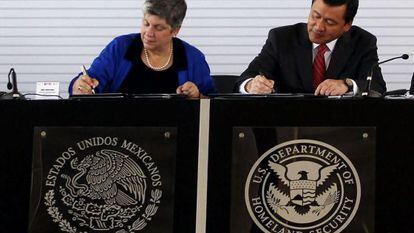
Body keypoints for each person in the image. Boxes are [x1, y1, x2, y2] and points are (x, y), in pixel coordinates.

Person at [236, 0, 386, 96]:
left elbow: (377, 86)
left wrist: (346, 84)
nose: (319, 27)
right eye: (315, 16)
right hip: (286, 125)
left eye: (329, 22)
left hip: (340, 126)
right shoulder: (282, 38)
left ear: (347, 25)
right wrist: (251, 85)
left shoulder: (363, 42)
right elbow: (245, 78)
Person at [69, 0, 215, 98]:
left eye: (158, 28)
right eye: (146, 23)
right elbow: (90, 81)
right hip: (118, 136)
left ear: (175, 31)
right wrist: (80, 86)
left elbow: (214, 105)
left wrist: (198, 97)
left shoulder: (193, 58)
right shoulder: (120, 47)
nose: (148, 33)